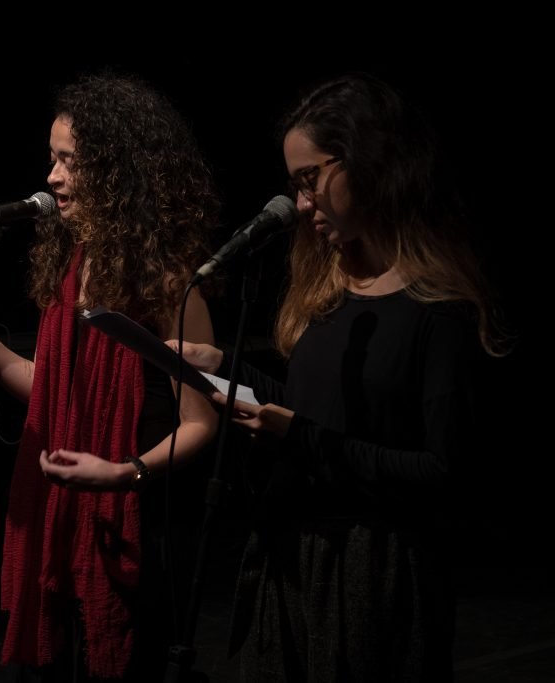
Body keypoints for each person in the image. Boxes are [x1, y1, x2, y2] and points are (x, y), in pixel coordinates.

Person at [173, 74, 508, 681]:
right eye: (295, 185)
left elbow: (443, 472)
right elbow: (310, 410)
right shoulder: (326, 294)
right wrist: (223, 367)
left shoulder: (441, 311)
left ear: (372, 164)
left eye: (311, 179)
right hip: (289, 555)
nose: (302, 204)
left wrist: (299, 436)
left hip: (374, 570)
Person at [0, 74, 221, 681]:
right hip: (68, 513)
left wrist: (124, 472)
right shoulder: (73, 267)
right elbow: (54, 393)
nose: (52, 177)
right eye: (52, 159)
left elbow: (201, 423)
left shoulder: (168, 279)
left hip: (143, 527)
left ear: (118, 170)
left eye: (69, 161)